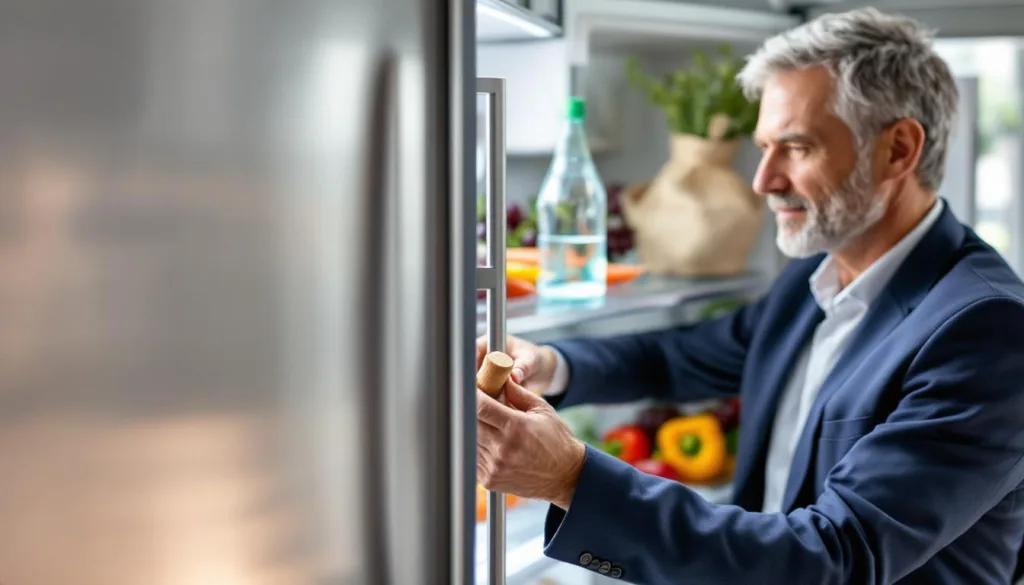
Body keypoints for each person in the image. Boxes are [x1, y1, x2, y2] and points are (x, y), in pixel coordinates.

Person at [474, 7, 1024, 585]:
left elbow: (837, 556)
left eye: (796, 147)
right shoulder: (814, 278)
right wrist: (548, 364)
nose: (763, 180)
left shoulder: (987, 330)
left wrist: (571, 477)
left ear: (898, 149)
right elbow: (678, 356)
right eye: (764, 147)